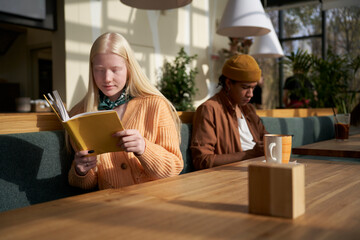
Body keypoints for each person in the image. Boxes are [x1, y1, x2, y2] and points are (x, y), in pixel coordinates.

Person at [68, 32, 183, 190]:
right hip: (111, 205)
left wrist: (144, 148)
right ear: (91, 70)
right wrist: (80, 171)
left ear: (129, 68)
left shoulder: (155, 105)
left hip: (155, 200)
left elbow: (174, 167)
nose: (107, 78)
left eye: (115, 69)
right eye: (99, 70)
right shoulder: (79, 113)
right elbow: (86, 185)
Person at [191, 54, 268, 170]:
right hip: (234, 175)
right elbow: (202, 160)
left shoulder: (249, 110)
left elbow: (265, 138)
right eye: (245, 87)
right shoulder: (209, 109)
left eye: (253, 88)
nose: (251, 94)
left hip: (259, 168)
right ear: (228, 84)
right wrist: (251, 154)